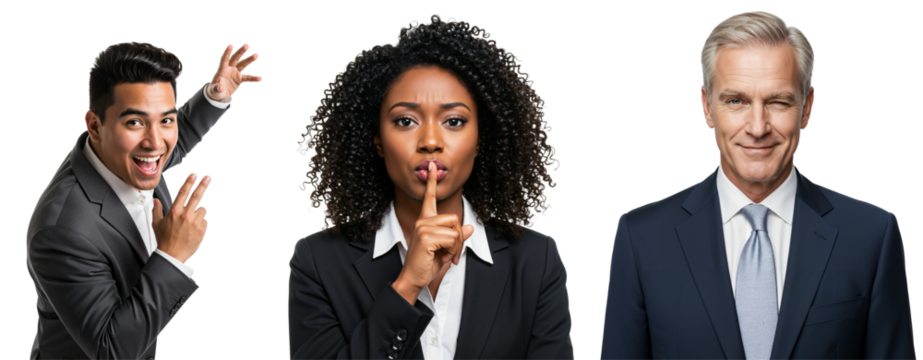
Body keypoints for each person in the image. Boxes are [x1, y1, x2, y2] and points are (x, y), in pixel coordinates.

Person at [599, 10, 916, 360]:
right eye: (736, 101)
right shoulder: (642, 237)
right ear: (707, 108)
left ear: (807, 108)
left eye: (778, 101)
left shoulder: (871, 235)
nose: (758, 126)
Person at [287, 14, 574, 360]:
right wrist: (406, 286)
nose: (431, 142)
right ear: (378, 139)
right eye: (405, 121)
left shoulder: (535, 261)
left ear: (481, 138)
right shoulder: (318, 262)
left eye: (454, 121)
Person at [24, 41, 263, 360]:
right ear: (95, 125)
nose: (155, 142)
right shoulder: (62, 230)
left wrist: (215, 95)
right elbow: (112, 351)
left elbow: (172, 143)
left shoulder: (123, 154)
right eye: (135, 122)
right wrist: (172, 256)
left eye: (165, 119)